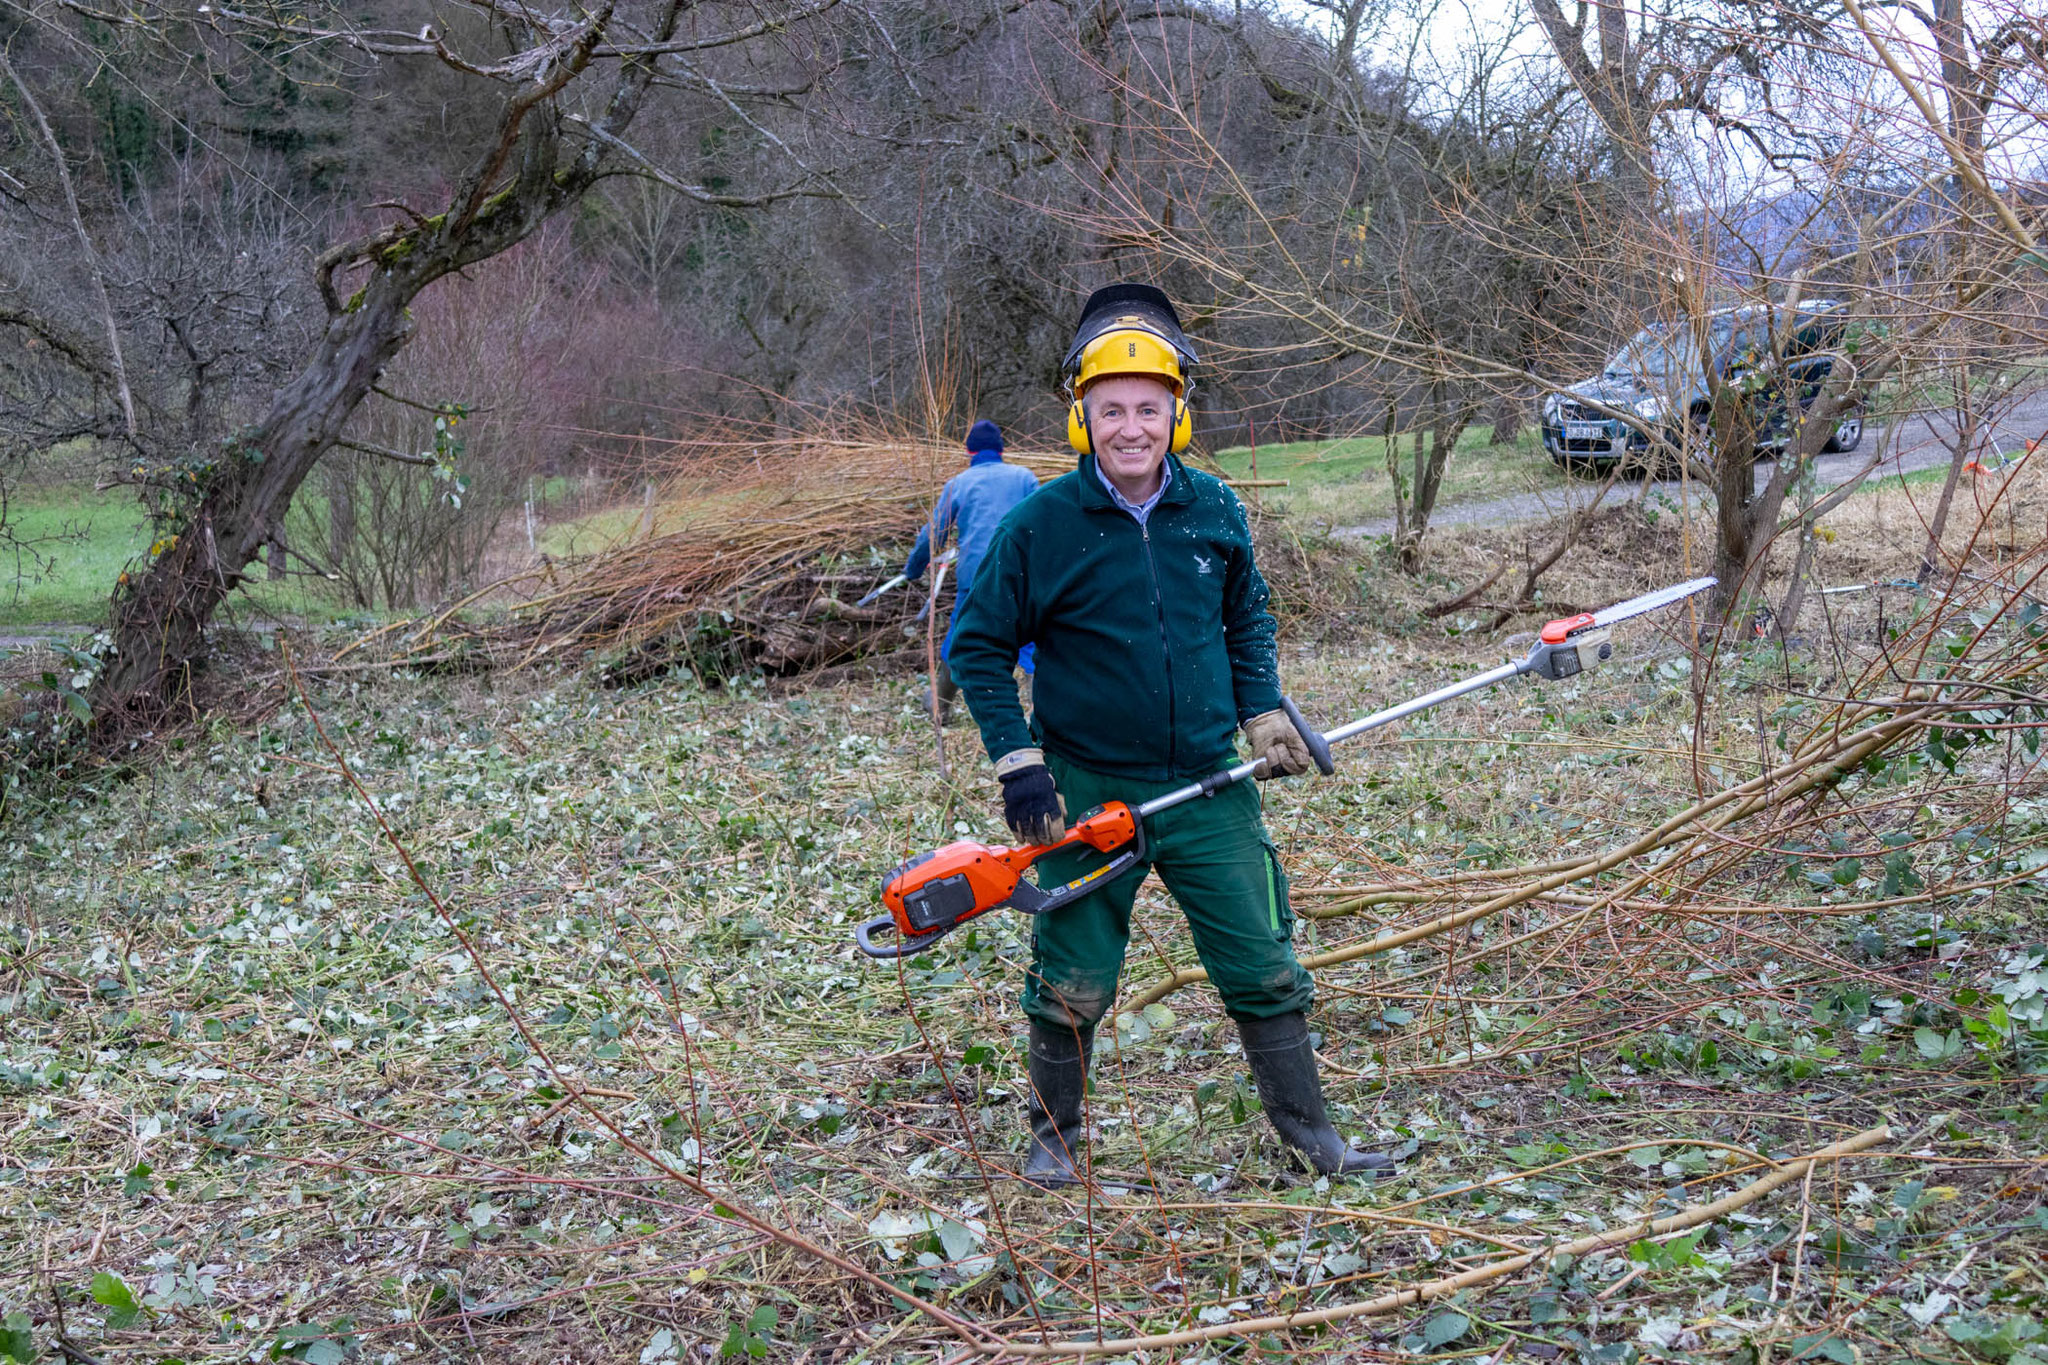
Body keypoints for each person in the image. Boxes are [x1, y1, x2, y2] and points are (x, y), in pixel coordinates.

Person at [948, 283, 1394, 1186]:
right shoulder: (1043, 525)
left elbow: (1247, 616)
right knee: (1072, 973)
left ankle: (1314, 1137)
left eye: (1148, 408)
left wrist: (1261, 708)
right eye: (1110, 409)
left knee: (1262, 958)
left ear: (1176, 413)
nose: (1130, 427)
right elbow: (977, 644)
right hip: (1085, 788)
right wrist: (1018, 762)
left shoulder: (1216, 510)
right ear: (1082, 417)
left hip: (1206, 780)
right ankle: (1053, 1145)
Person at [902, 419, 1041, 722]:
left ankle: (939, 706)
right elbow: (1043, 525)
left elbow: (933, 534)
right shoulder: (1025, 478)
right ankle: (1043, 716)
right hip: (1022, 574)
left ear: (969, 451)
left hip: (975, 577)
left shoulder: (959, 484)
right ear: (1001, 450)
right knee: (1031, 640)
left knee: (962, 637)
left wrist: (912, 568)